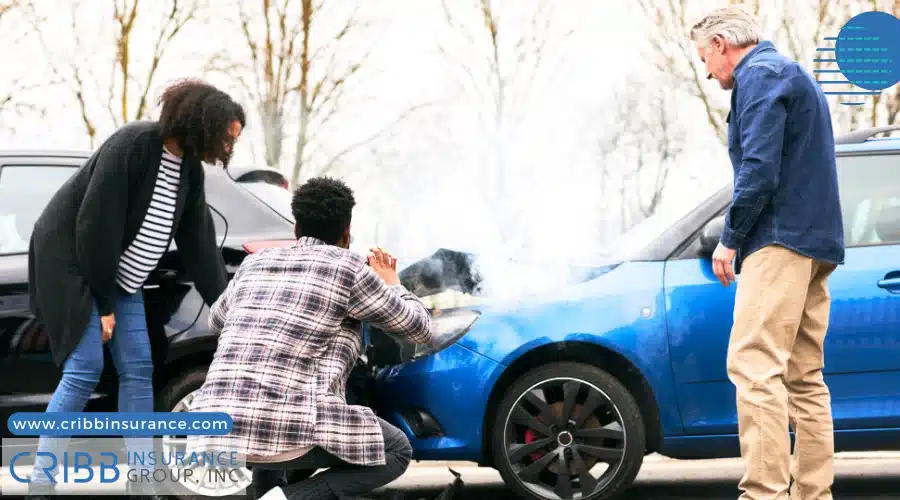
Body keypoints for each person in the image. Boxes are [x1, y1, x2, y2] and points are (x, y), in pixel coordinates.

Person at [27, 79, 245, 498]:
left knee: (139, 369)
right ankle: (41, 481)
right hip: (73, 266)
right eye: (225, 136)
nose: (227, 147)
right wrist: (104, 304)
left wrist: (227, 309)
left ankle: (142, 479)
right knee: (84, 368)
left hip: (119, 277)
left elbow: (199, 244)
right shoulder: (133, 146)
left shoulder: (188, 170)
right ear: (201, 122)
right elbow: (95, 228)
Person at [185, 177, 435, 500]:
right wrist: (392, 283)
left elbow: (215, 319)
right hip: (287, 426)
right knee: (396, 450)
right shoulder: (349, 268)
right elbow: (419, 328)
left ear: (296, 230)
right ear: (346, 233)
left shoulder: (253, 265)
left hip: (214, 423)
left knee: (276, 455)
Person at [690, 6, 845, 500]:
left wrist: (729, 238)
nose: (707, 71)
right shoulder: (795, 74)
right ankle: (814, 494)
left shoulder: (758, 76)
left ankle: (764, 494)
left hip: (778, 242)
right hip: (816, 245)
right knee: (804, 377)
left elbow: (758, 169)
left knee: (754, 366)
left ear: (720, 45)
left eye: (704, 59)